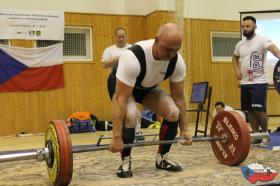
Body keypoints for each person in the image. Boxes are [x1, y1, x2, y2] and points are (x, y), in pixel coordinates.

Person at [108, 23, 192, 178]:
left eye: (176, 50)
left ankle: (162, 159)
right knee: (132, 114)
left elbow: (179, 97)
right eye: (168, 49)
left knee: (173, 112)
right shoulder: (133, 57)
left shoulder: (177, 61)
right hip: (122, 87)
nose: (171, 54)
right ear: (156, 40)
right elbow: (120, 99)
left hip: (146, 87)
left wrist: (185, 129)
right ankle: (125, 160)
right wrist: (116, 137)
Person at [232, 16, 280, 146]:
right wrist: (236, 70)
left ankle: (265, 134)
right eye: (243, 26)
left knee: (258, 110)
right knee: (250, 110)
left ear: (255, 27)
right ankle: (256, 135)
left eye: (248, 26)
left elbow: (274, 49)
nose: (245, 29)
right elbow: (235, 58)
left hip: (259, 82)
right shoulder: (240, 44)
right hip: (245, 83)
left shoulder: (262, 39)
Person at [101, 28, 144, 141]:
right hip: (116, 81)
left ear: (126, 36)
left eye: (123, 36)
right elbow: (104, 64)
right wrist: (119, 58)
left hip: (132, 80)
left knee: (135, 105)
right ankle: (121, 133)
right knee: (121, 106)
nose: (121, 39)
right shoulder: (109, 50)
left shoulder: (132, 48)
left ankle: (138, 131)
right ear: (115, 37)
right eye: (119, 36)